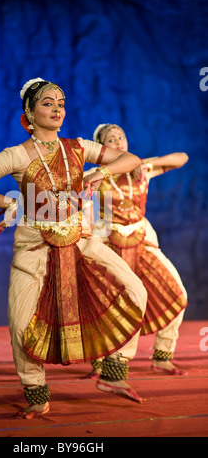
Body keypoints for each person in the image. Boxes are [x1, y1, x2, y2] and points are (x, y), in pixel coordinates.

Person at [0, 79, 148, 419]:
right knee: (19, 324)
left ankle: (113, 371)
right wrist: (10, 203)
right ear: (30, 113)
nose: (57, 108)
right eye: (48, 103)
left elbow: (131, 159)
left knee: (135, 290)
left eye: (61, 102)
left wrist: (100, 171)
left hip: (81, 241)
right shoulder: (15, 155)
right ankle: (36, 392)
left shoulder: (78, 147)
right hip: (35, 248)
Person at [83, 123, 188, 379]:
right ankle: (100, 363)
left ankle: (163, 356)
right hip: (110, 243)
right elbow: (73, 192)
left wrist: (148, 163)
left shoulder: (141, 167)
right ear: (101, 147)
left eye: (121, 137)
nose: (118, 142)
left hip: (141, 241)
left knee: (178, 294)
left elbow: (181, 158)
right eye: (111, 139)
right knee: (105, 305)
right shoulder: (97, 174)